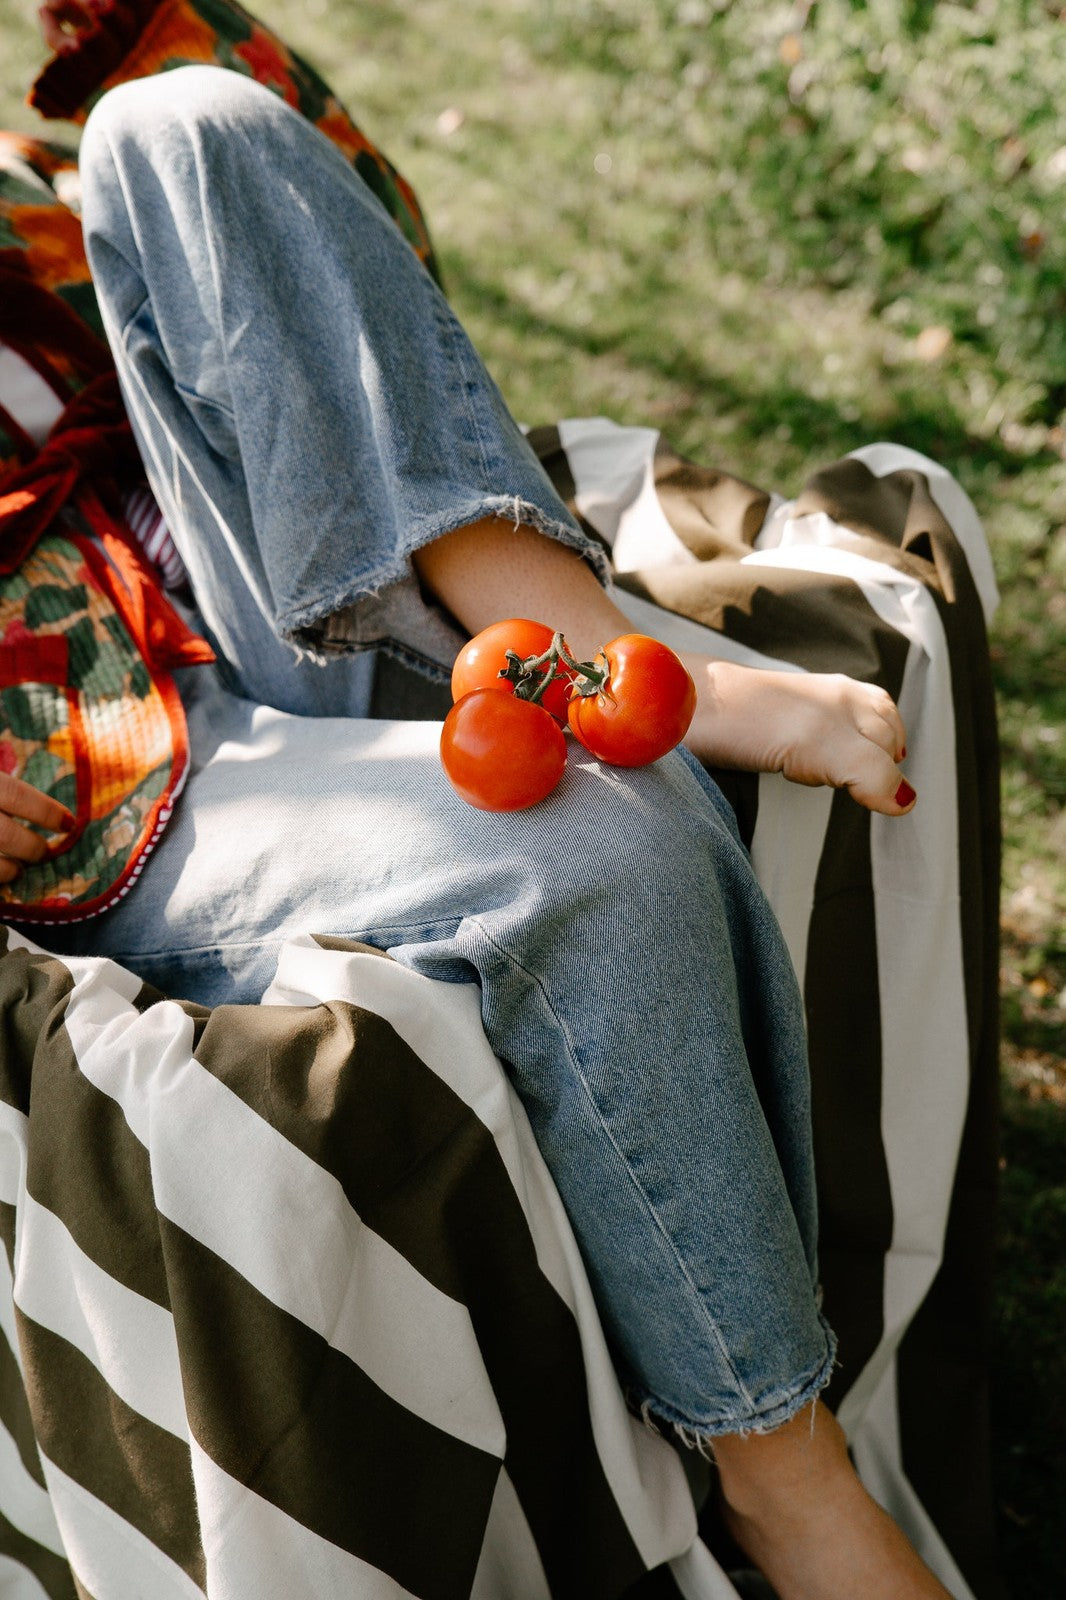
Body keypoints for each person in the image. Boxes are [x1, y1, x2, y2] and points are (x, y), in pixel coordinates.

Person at [0, 43, 955, 1600]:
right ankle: (782, 1471)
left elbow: (364, 266)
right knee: (598, 849)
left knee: (177, 120)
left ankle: (592, 649)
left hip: (257, 576)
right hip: (99, 773)